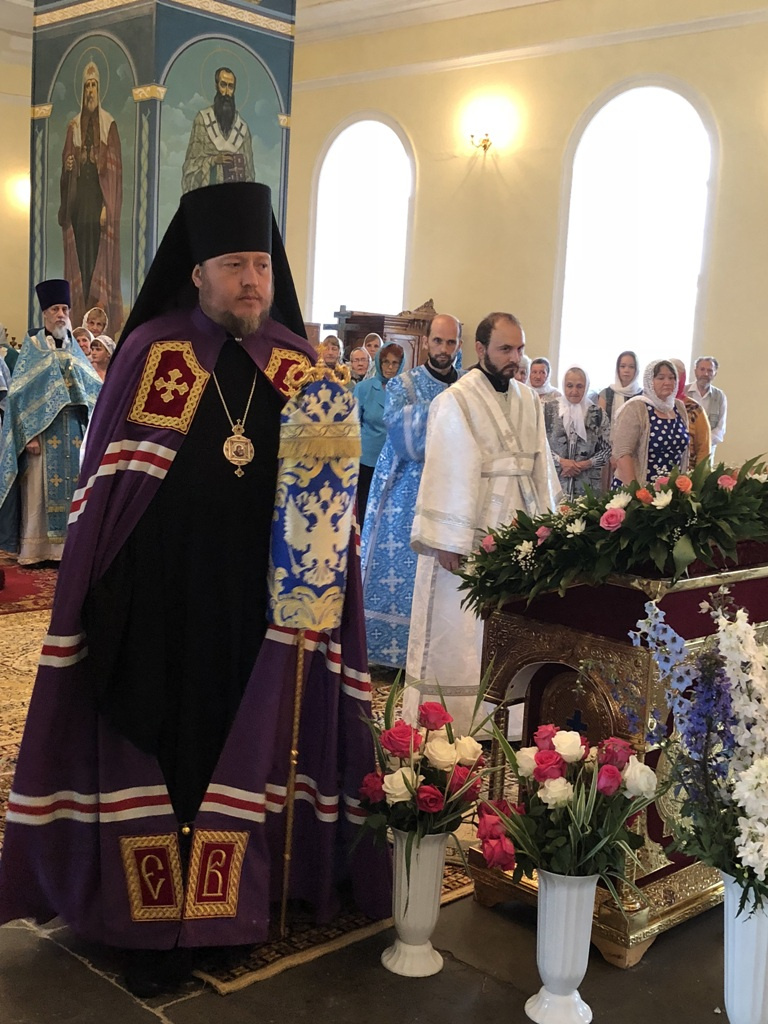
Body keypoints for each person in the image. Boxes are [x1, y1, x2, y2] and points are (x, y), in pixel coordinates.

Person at [0, 183, 389, 995]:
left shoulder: (296, 366)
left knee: (245, 752)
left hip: (262, 614)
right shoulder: (154, 353)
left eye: (261, 265)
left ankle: (231, 909)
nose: (252, 281)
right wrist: (109, 597)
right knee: (166, 756)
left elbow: (325, 512)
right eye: (234, 265)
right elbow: (110, 494)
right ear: (198, 272)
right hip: (161, 606)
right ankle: (149, 926)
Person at [403, 312, 560, 735]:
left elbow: (541, 464)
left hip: (521, 527)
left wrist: (549, 524)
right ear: (480, 349)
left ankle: (509, 722)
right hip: (470, 529)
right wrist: (446, 539)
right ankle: (454, 722)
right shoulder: (456, 400)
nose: (515, 358)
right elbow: (447, 469)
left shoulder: (529, 399)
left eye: (519, 349)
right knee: (462, 624)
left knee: (512, 623)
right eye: (505, 349)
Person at [361, 314, 462, 669]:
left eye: (451, 342)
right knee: (405, 571)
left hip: (455, 490)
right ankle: (394, 655)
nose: (444, 349)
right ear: (427, 342)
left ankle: (441, 656)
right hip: (407, 494)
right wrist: (448, 415)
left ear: (459, 345)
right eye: (438, 341)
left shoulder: (467, 385)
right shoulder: (404, 384)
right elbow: (406, 440)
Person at [0, 279, 101, 564]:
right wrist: (28, 435)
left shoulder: (75, 349)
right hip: (41, 433)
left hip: (74, 430)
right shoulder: (32, 348)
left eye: (65, 309)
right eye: (55, 309)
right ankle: (37, 550)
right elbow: (19, 396)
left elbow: (92, 388)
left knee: (74, 488)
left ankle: (68, 549)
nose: (60, 315)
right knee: (38, 492)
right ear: (44, 313)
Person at [59, 61, 123, 334]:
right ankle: (79, 313)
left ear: (100, 89)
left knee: (97, 255)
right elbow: (66, 164)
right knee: (81, 259)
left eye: (94, 85)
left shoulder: (108, 124)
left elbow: (114, 172)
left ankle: (97, 310)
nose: (90, 91)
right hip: (79, 204)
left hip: (98, 202)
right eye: (87, 86)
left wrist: (108, 206)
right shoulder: (74, 125)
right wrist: (68, 166)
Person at [612, 359, 690, 487]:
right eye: (661, 378)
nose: (667, 382)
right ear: (649, 381)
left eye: (672, 378)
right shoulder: (636, 407)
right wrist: (635, 490)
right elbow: (622, 453)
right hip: (637, 486)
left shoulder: (679, 407)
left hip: (670, 489)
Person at [353, 342, 405, 522]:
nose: (390, 367)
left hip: (394, 461)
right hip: (367, 460)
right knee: (364, 510)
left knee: (387, 513)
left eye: (395, 363)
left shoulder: (406, 390)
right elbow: (353, 425)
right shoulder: (363, 388)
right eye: (386, 362)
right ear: (379, 363)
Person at [182, 67, 256, 193]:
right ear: (216, 86)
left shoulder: (242, 129)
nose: (227, 92)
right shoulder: (202, 120)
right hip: (209, 197)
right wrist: (213, 160)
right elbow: (190, 167)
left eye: (231, 87)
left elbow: (249, 175)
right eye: (223, 85)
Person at [544, 365, 611, 498]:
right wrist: (560, 461)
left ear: (586, 387)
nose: (574, 391)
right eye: (569, 386)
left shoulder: (597, 414)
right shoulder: (548, 410)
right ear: (563, 385)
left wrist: (585, 464)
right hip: (554, 483)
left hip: (588, 486)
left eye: (579, 386)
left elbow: (607, 450)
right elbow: (540, 444)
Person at [670, 358, 711, 468]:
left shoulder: (694, 409)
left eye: (674, 377)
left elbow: (703, 449)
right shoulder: (649, 406)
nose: (668, 382)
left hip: (686, 474)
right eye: (662, 377)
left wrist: (698, 474)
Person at [687, 356, 727, 458]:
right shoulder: (683, 392)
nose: (705, 374)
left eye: (710, 371)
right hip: (685, 449)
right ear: (695, 371)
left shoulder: (720, 396)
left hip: (708, 451)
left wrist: (704, 442)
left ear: (715, 374)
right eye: (702, 369)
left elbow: (720, 428)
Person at [597, 350, 642, 431]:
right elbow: (600, 424)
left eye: (631, 367)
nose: (626, 370)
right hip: (608, 437)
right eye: (622, 366)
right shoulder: (606, 394)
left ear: (636, 370)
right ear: (618, 369)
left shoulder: (642, 395)